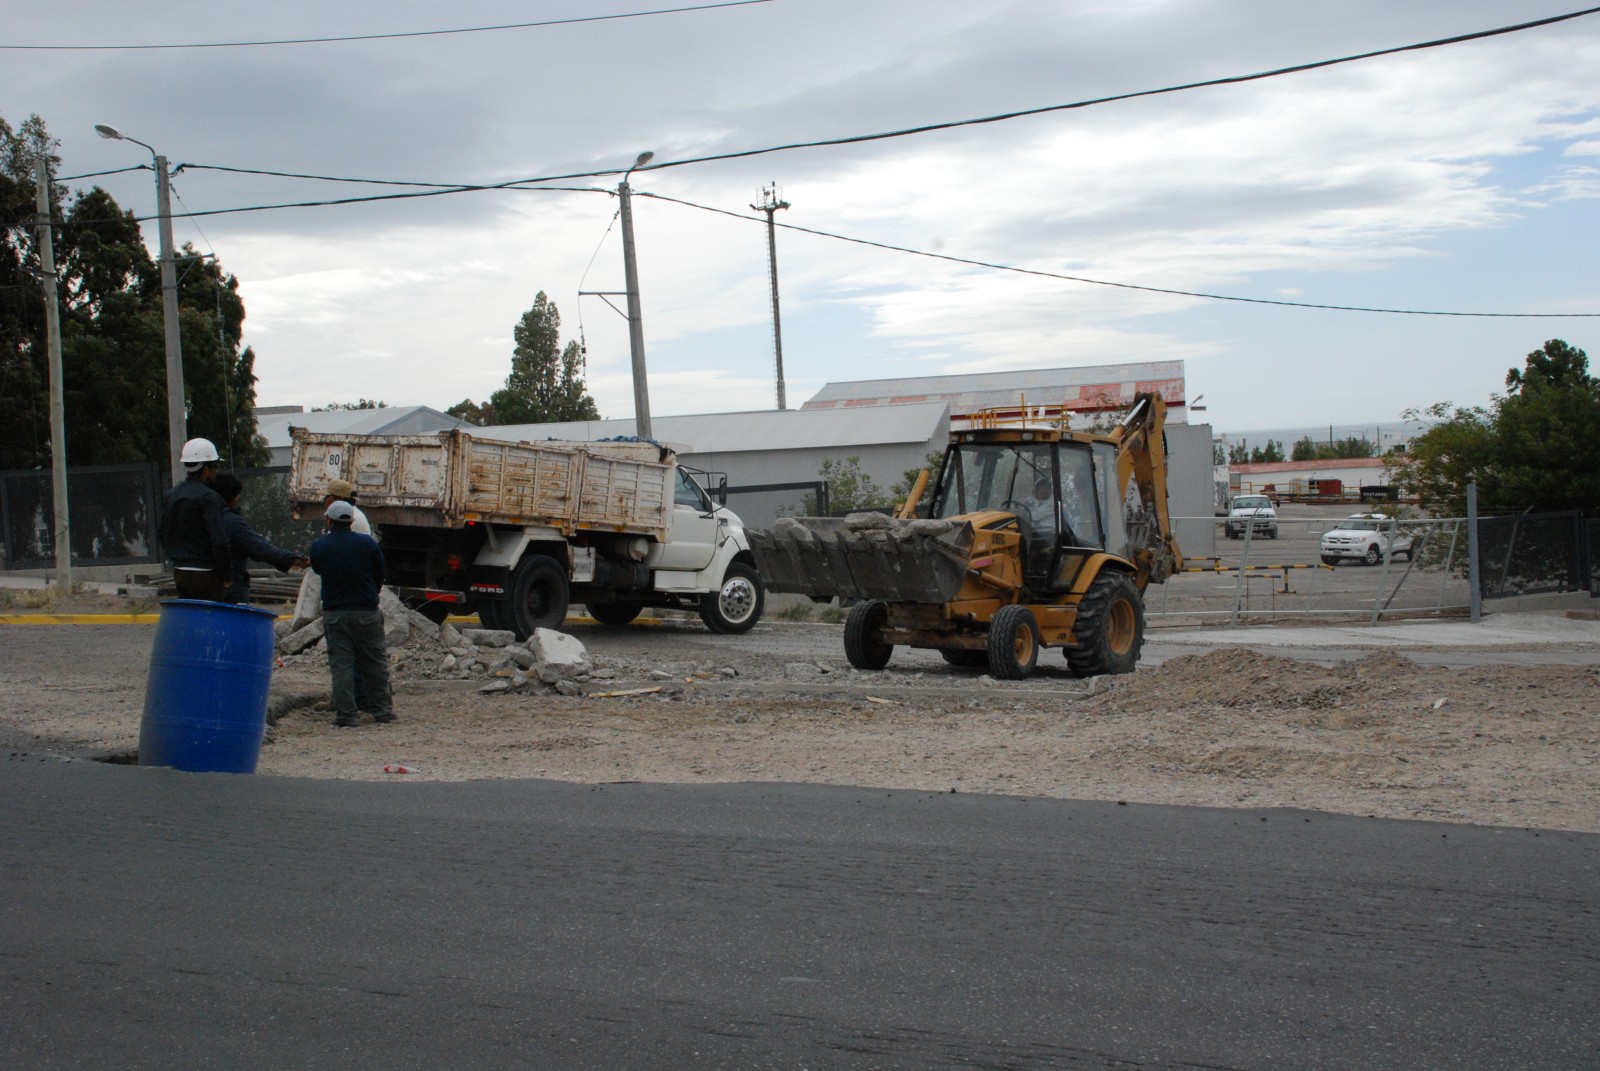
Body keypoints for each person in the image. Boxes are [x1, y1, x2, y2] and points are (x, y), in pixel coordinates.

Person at [308, 500, 394, 728]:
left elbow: (317, 569)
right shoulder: (367, 544)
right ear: (351, 520)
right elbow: (380, 573)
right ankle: (382, 710)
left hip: (335, 613)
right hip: (366, 611)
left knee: (342, 665)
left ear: (329, 520)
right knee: (375, 663)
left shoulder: (320, 546)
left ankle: (347, 714)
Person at [211, 473, 309, 605]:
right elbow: (261, 549)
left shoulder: (201, 519)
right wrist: (294, 558)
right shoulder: (231, 523)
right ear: (233, 497)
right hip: (231, 590)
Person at [159, 438, 231, 600]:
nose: (216, 472)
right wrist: (226, 574)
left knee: (189, 618)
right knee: (210, 619)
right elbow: (219, 540)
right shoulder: (209, 497)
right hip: (206, 574)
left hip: (180, 571)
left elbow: (161, 532)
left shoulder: (171, 495)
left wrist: (176, 556)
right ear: (206, 469)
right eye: (215, 467)